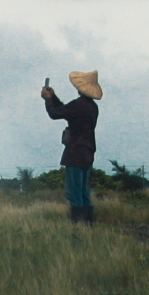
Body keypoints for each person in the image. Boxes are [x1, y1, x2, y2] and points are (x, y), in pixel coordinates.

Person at [41, 70, 102, 224]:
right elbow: (64, 110)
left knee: (74, 193)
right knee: (83, 193)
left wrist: (48, 100)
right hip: (88, 152)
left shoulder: (79, 105)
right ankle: (88, 225)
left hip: (75, 153)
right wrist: (53, 97)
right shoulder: (92, 107)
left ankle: (79, 226)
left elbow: (55, 113)